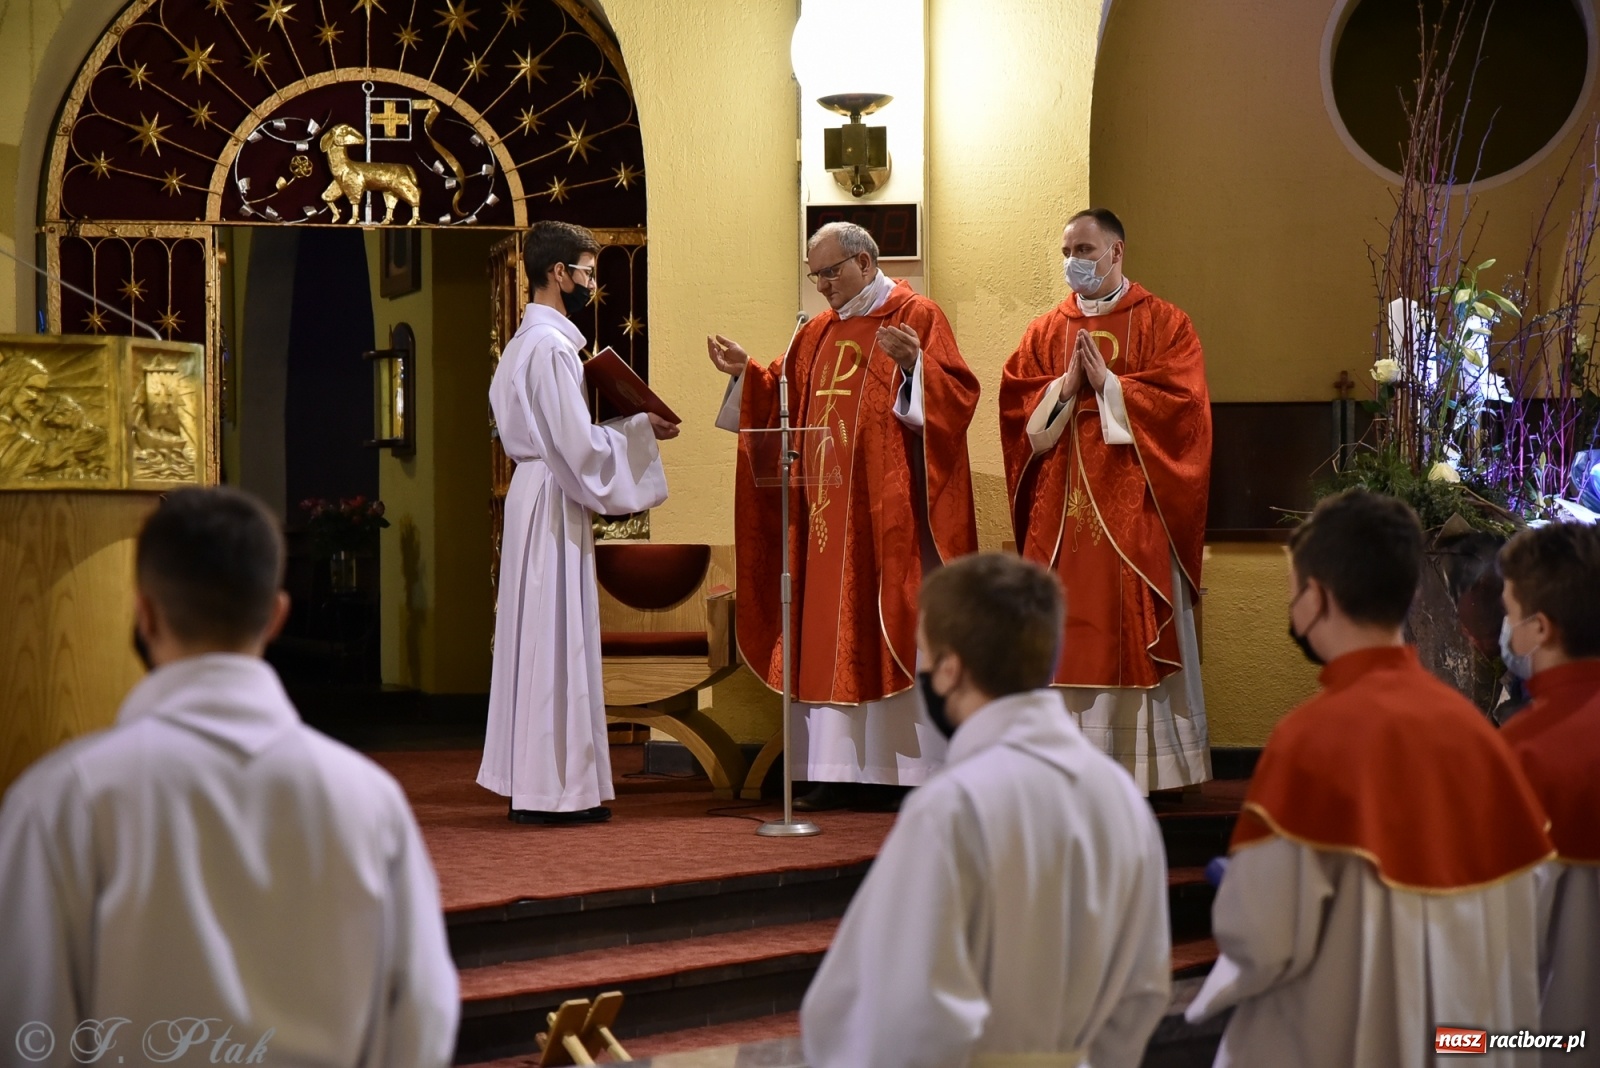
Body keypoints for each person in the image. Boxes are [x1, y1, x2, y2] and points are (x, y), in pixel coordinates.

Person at [0, 487, 459, 1067]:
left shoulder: (62, 800)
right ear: (276, 616)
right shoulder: (370, 799)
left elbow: (27, 1026)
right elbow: (421, 1014)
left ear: (144, 612)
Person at [1186, 489, 1554, 1067]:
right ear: (1410, 595)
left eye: (1293, 593)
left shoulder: (1308, 740)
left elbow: (1257, 935)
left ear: (1316, 597)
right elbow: (1520, 917)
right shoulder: (1480, 735)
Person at [800, 552, 1171, 1068]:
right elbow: (1145, 989)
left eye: (923, 653)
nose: (922, 669)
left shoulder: (952, 807)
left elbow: (901, 1014)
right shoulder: (1120, 798)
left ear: (950, 670)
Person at [708, 221, 979, 811]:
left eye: (830, 272)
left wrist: (917, 370)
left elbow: (957, 400)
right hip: (825, 512)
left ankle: (903, 769)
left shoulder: (916, 316)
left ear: (863, 260)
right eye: (815, 275)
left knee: (889, 621)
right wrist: (744, 374)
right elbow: (781, 393)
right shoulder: (815, 335)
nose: (823, 285)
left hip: (890, 515)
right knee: (826, 628)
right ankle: (833, 769)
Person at [999, 208, 1212, 795]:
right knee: (1062, 627)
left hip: (1134, 510)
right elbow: (1020, 414)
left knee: (1131, 625)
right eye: (1068, 251)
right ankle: (1058, 772)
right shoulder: (1046, 331)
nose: (1074, 262)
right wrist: (1065, 388)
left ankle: (1144, 775)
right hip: (1060, 507)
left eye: (1086, 250)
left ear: (1117, 252)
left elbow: (1184, 409)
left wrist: (1112, 387)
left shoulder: (1165, 323)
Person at [479, 220, 679, 824]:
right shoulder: (551, 348)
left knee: (541, 634)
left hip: (537, 491)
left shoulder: (525, 342)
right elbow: (574, 445)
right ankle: (552, 790)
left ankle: (544, 781)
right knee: (552, 636)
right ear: (558, 273)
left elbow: (562, 439)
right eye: (587, 271)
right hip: (550, 496)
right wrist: (642, 431)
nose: (593, 282)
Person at [1497, 522, 1600, 1064]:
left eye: (1509, 613)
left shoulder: (1520, 754)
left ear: (1539, 629)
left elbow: (1488, 941)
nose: (1505, 627)